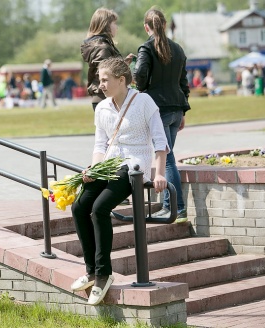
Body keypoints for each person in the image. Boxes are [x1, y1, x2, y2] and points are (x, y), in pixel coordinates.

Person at [70, 57, 168, 305]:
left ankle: (104, 275)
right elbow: (100, 144)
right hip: (107, 165)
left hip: (134, 166)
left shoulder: (144, 102)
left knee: (99, 208)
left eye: (105, 80)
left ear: (121, 80)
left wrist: (159, 173)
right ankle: (91, 271)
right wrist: (93, 166)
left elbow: (160, 141)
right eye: (99, 80)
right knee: (79, 206)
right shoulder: (102, 107)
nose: (100, 84)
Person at [133, 6, 190, 222]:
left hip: (159, 110)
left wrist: (142, 89)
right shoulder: (178, 48)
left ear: (146, 27)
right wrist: (183, 111)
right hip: (176, 108)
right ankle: (171, 206)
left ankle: (176, 208)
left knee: (167, 159)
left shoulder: (146, 48)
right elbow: (183, 83)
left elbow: (139, 74)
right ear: (164, 25)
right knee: (168, 156)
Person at [81, 7, 123, 111]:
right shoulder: (102, 47)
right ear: (106, 25)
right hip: (106, 98)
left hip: (103, 97)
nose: (116, 27)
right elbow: (105, 74)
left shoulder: (101, 45)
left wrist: (124, 63)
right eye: (114, 23)